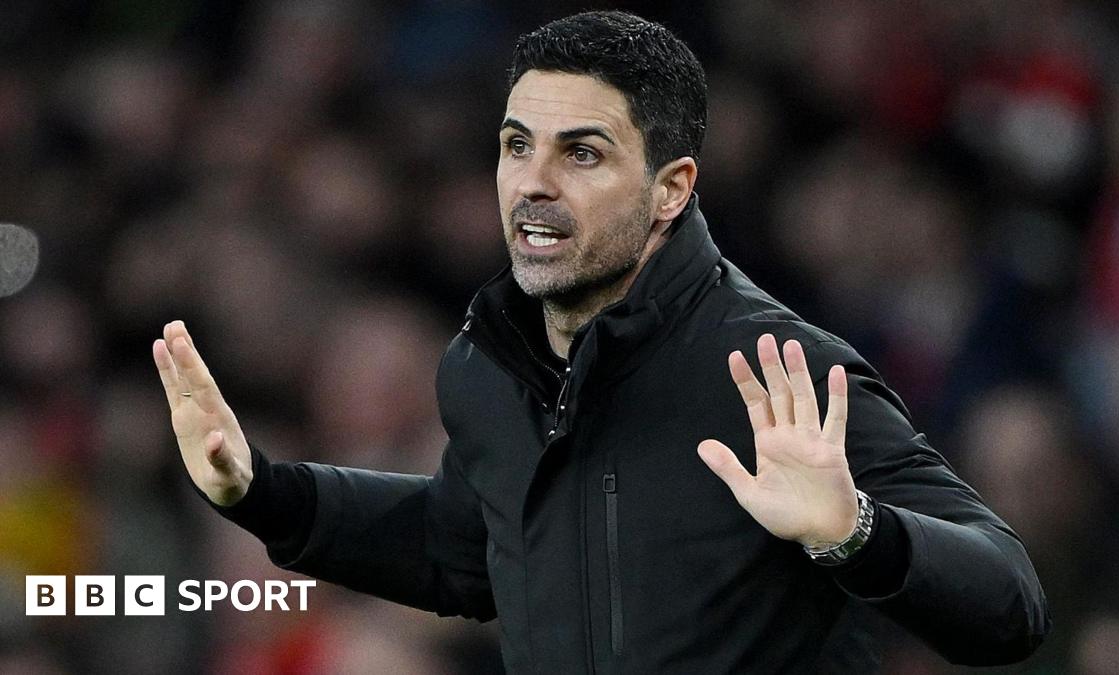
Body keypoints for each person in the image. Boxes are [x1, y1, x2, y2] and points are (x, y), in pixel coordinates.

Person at [153, 11, 1049, 673]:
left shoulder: (775, 372)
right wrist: (263, 493)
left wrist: (856, 533)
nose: (532, 184)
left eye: (581, 153)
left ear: (670, 189)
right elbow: (464, 552)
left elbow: (1011, 601)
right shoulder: (486, 367)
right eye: (516, 145)